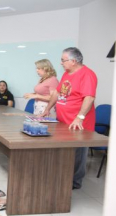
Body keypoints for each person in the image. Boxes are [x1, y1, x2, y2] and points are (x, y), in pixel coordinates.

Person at [41, 47, 98, 189]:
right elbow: (57, 93)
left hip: (77, 124)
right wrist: (47, 108)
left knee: (77, 155)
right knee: (65, 153)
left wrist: (80, 117)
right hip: (63, 122)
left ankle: (74, 183)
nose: (61, 63)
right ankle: (63, 178)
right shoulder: (67, 73)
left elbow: (89, 97)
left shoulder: (87, 74)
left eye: (63, 60)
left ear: (73, 61)